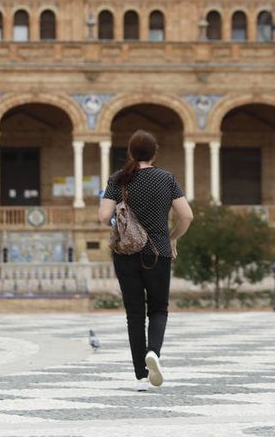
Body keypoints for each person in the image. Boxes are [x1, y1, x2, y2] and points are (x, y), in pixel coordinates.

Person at [98, 130, 194, 391]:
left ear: (130, 152)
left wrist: (120, 218)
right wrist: (172, 237)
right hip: (158, 252)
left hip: (125, 252)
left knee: (135, 313)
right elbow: (187, 216)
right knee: (158, 308)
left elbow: (104, 215)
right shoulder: (167, 179)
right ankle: (154, 352)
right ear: (154, 153)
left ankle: (140, 370)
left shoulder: (118, 179)